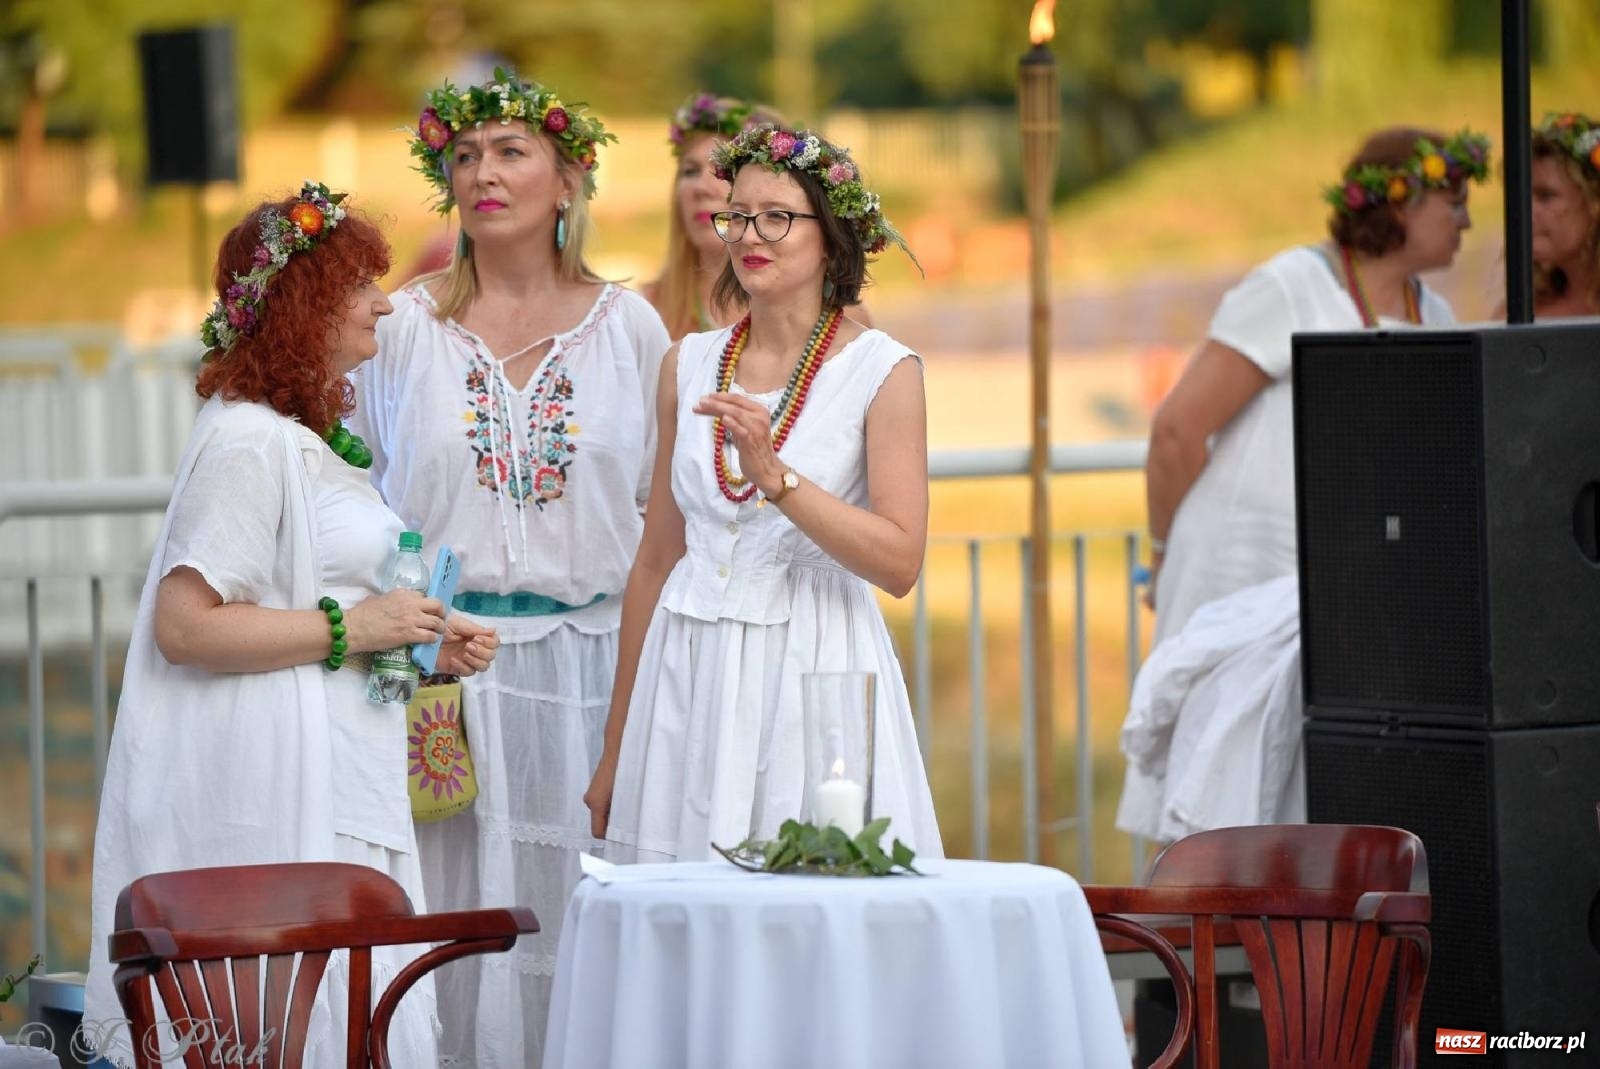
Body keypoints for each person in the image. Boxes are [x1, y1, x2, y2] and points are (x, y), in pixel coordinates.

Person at [83, 181, 499, 1067]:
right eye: (359, 285)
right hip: (279, 798)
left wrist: (420, 639)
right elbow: (187, 629)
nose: (384, 302)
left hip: (342, 782)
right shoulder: (246, 441)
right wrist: (358, 626)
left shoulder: (294, 437)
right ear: (306, 302)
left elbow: (313, 606)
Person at [348, 70, 670, 1067]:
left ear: (571, 180)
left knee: (590, 919)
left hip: (596, 674)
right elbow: (348, 502)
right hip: (450, 678)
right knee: (460, 934)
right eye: (464, 156)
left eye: (511, 151)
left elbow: (664, 522)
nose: (483, 172)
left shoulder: (632, 331)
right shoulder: (399, 331)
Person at [1118, 127, 1491, 842]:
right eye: (1454, 200)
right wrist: (1165, 554)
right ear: (1401, 204)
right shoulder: (1294, 284)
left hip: (1343, 583)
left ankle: (1297, 950)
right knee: (1213, 777)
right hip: (1239, 567)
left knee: (1309, 783)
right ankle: (1194, 941)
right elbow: (1177, 430)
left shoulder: (1436, 317)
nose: (1468, 219)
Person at [584, 123, 943, 863]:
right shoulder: (687, 364)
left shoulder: (884, 370)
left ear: (831, 236)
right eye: (737, 215)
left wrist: (775, 476)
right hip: (686, 671)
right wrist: (616, 745)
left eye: (777, 216)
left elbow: (900, 562)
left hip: (813, 669)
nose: (751, 234)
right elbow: (654, 562)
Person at [643, 93, 783, 338]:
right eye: (690, 171)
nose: (701, 188)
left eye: (723, 170)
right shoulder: (643, 312)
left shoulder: (837, 319)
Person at [1530, 112, 1600, 318]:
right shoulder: (1523, 312)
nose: (1525, 211)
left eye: (1546, 196)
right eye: (1521, 197)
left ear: (1594, 203)